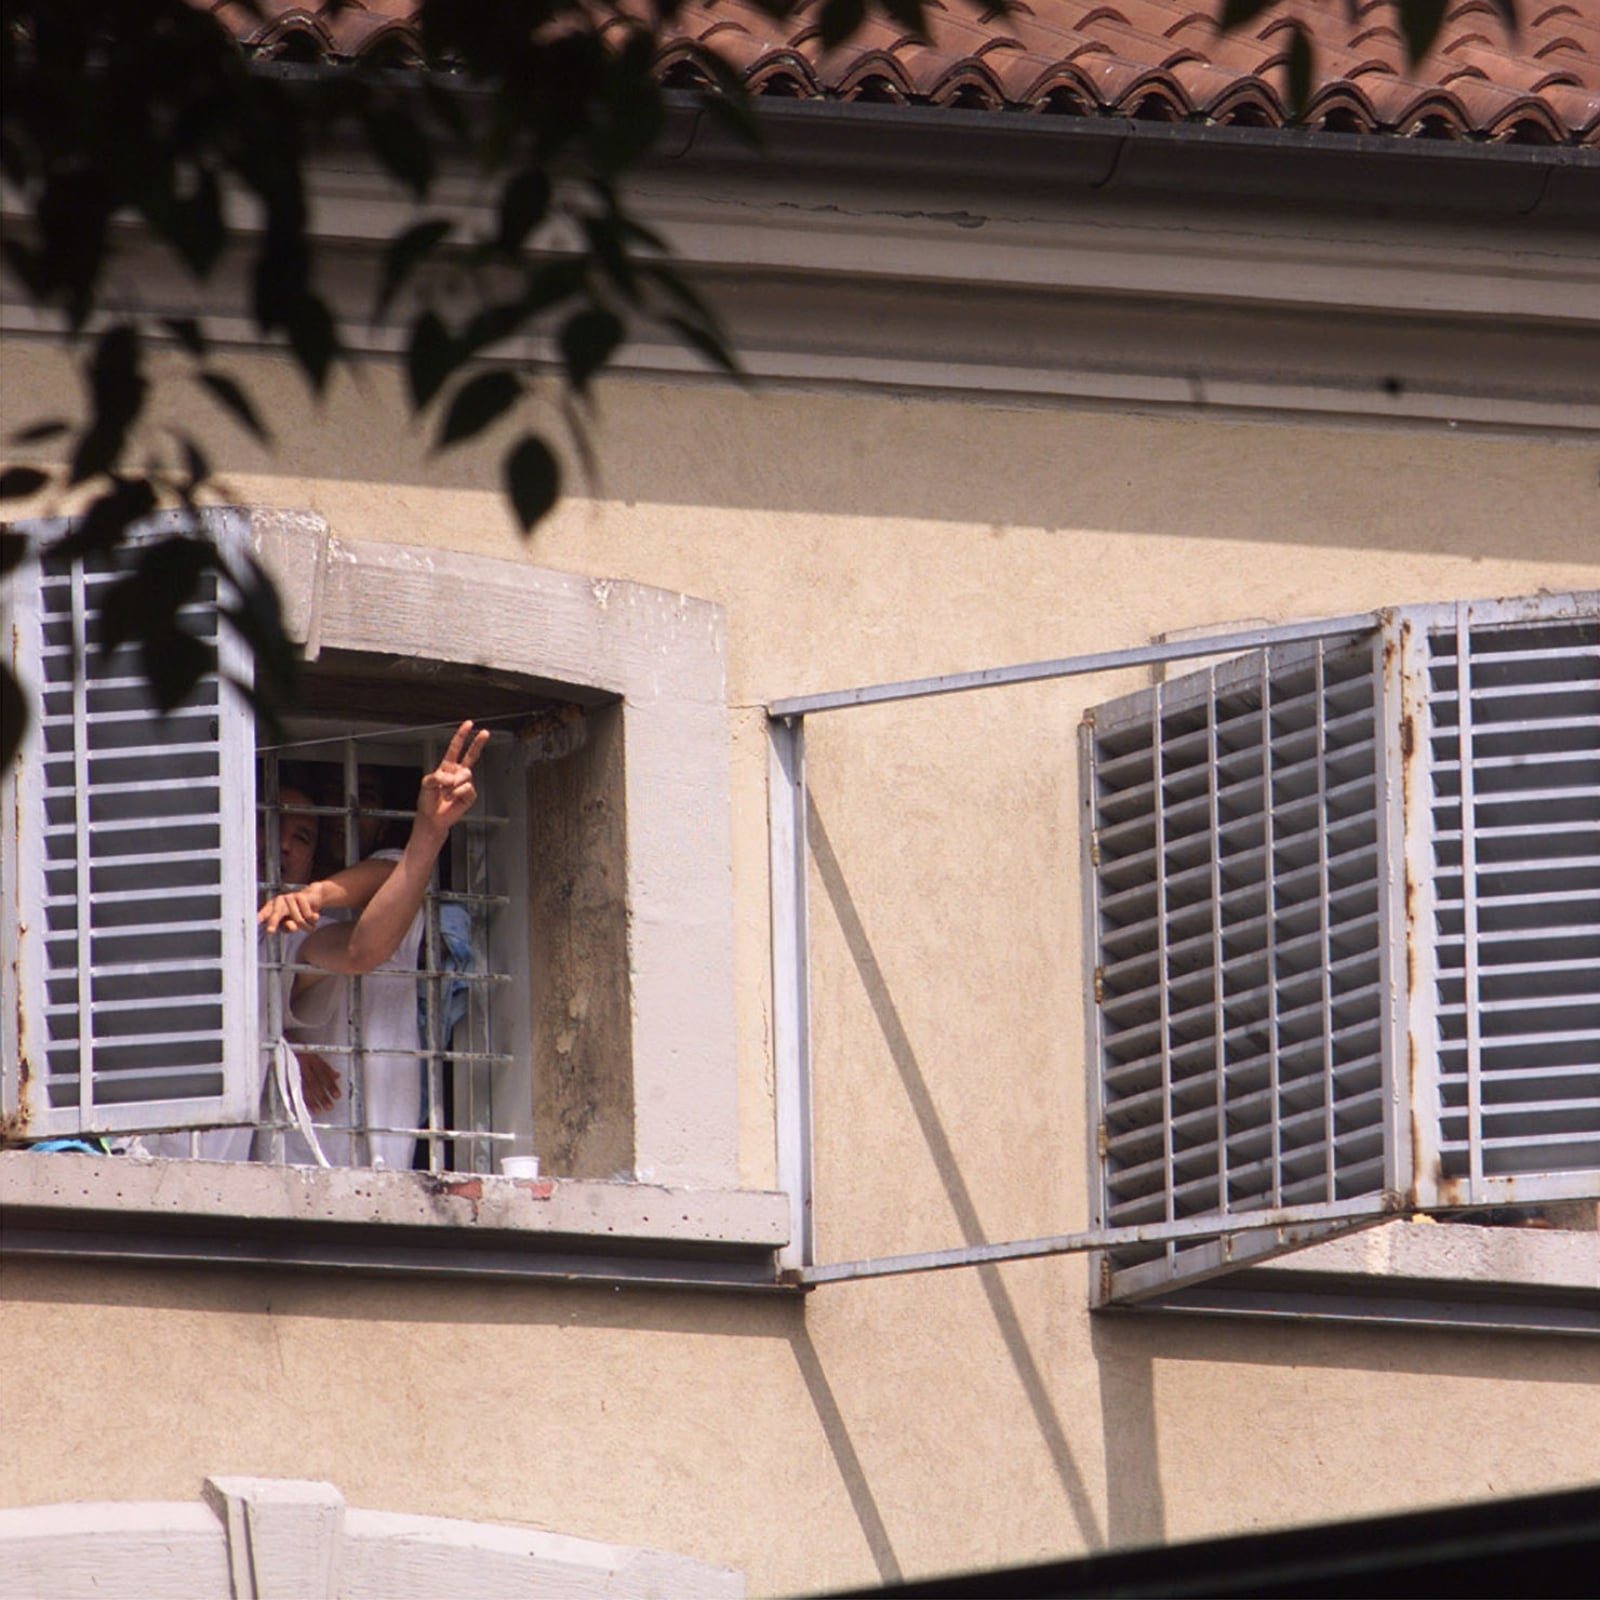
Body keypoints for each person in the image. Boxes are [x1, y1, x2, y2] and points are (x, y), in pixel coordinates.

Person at [257, 721, 489, 1168]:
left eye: (301, 834)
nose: (354, 808)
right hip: (294, 1157)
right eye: (275, 825)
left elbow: (369, 924)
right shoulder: (276, 927)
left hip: (375, 1143)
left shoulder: (318, 916)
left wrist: (428, 831)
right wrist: (280, 1045)